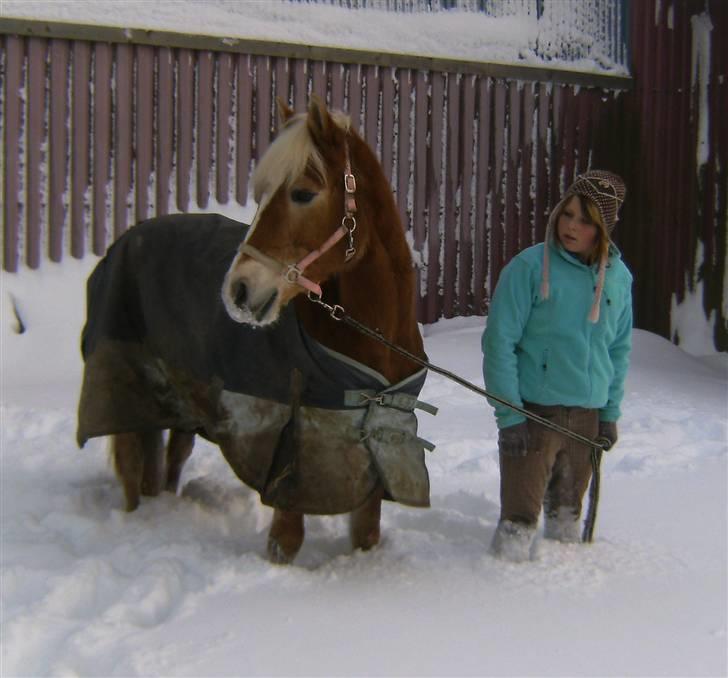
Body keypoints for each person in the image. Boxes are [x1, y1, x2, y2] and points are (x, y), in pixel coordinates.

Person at [482, 170, 632, 562]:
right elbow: (499, 343)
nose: (571, 226)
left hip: (587, 417)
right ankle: (497, 593)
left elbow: (618, 350)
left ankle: (565, 606)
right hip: (534, 416)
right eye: (567, 214)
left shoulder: (619, 279)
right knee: (519, 521)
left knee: (567, 516)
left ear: (604, 228)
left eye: (585, 220)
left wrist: (609, 415)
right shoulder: (528, 268)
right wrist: (509, 415)